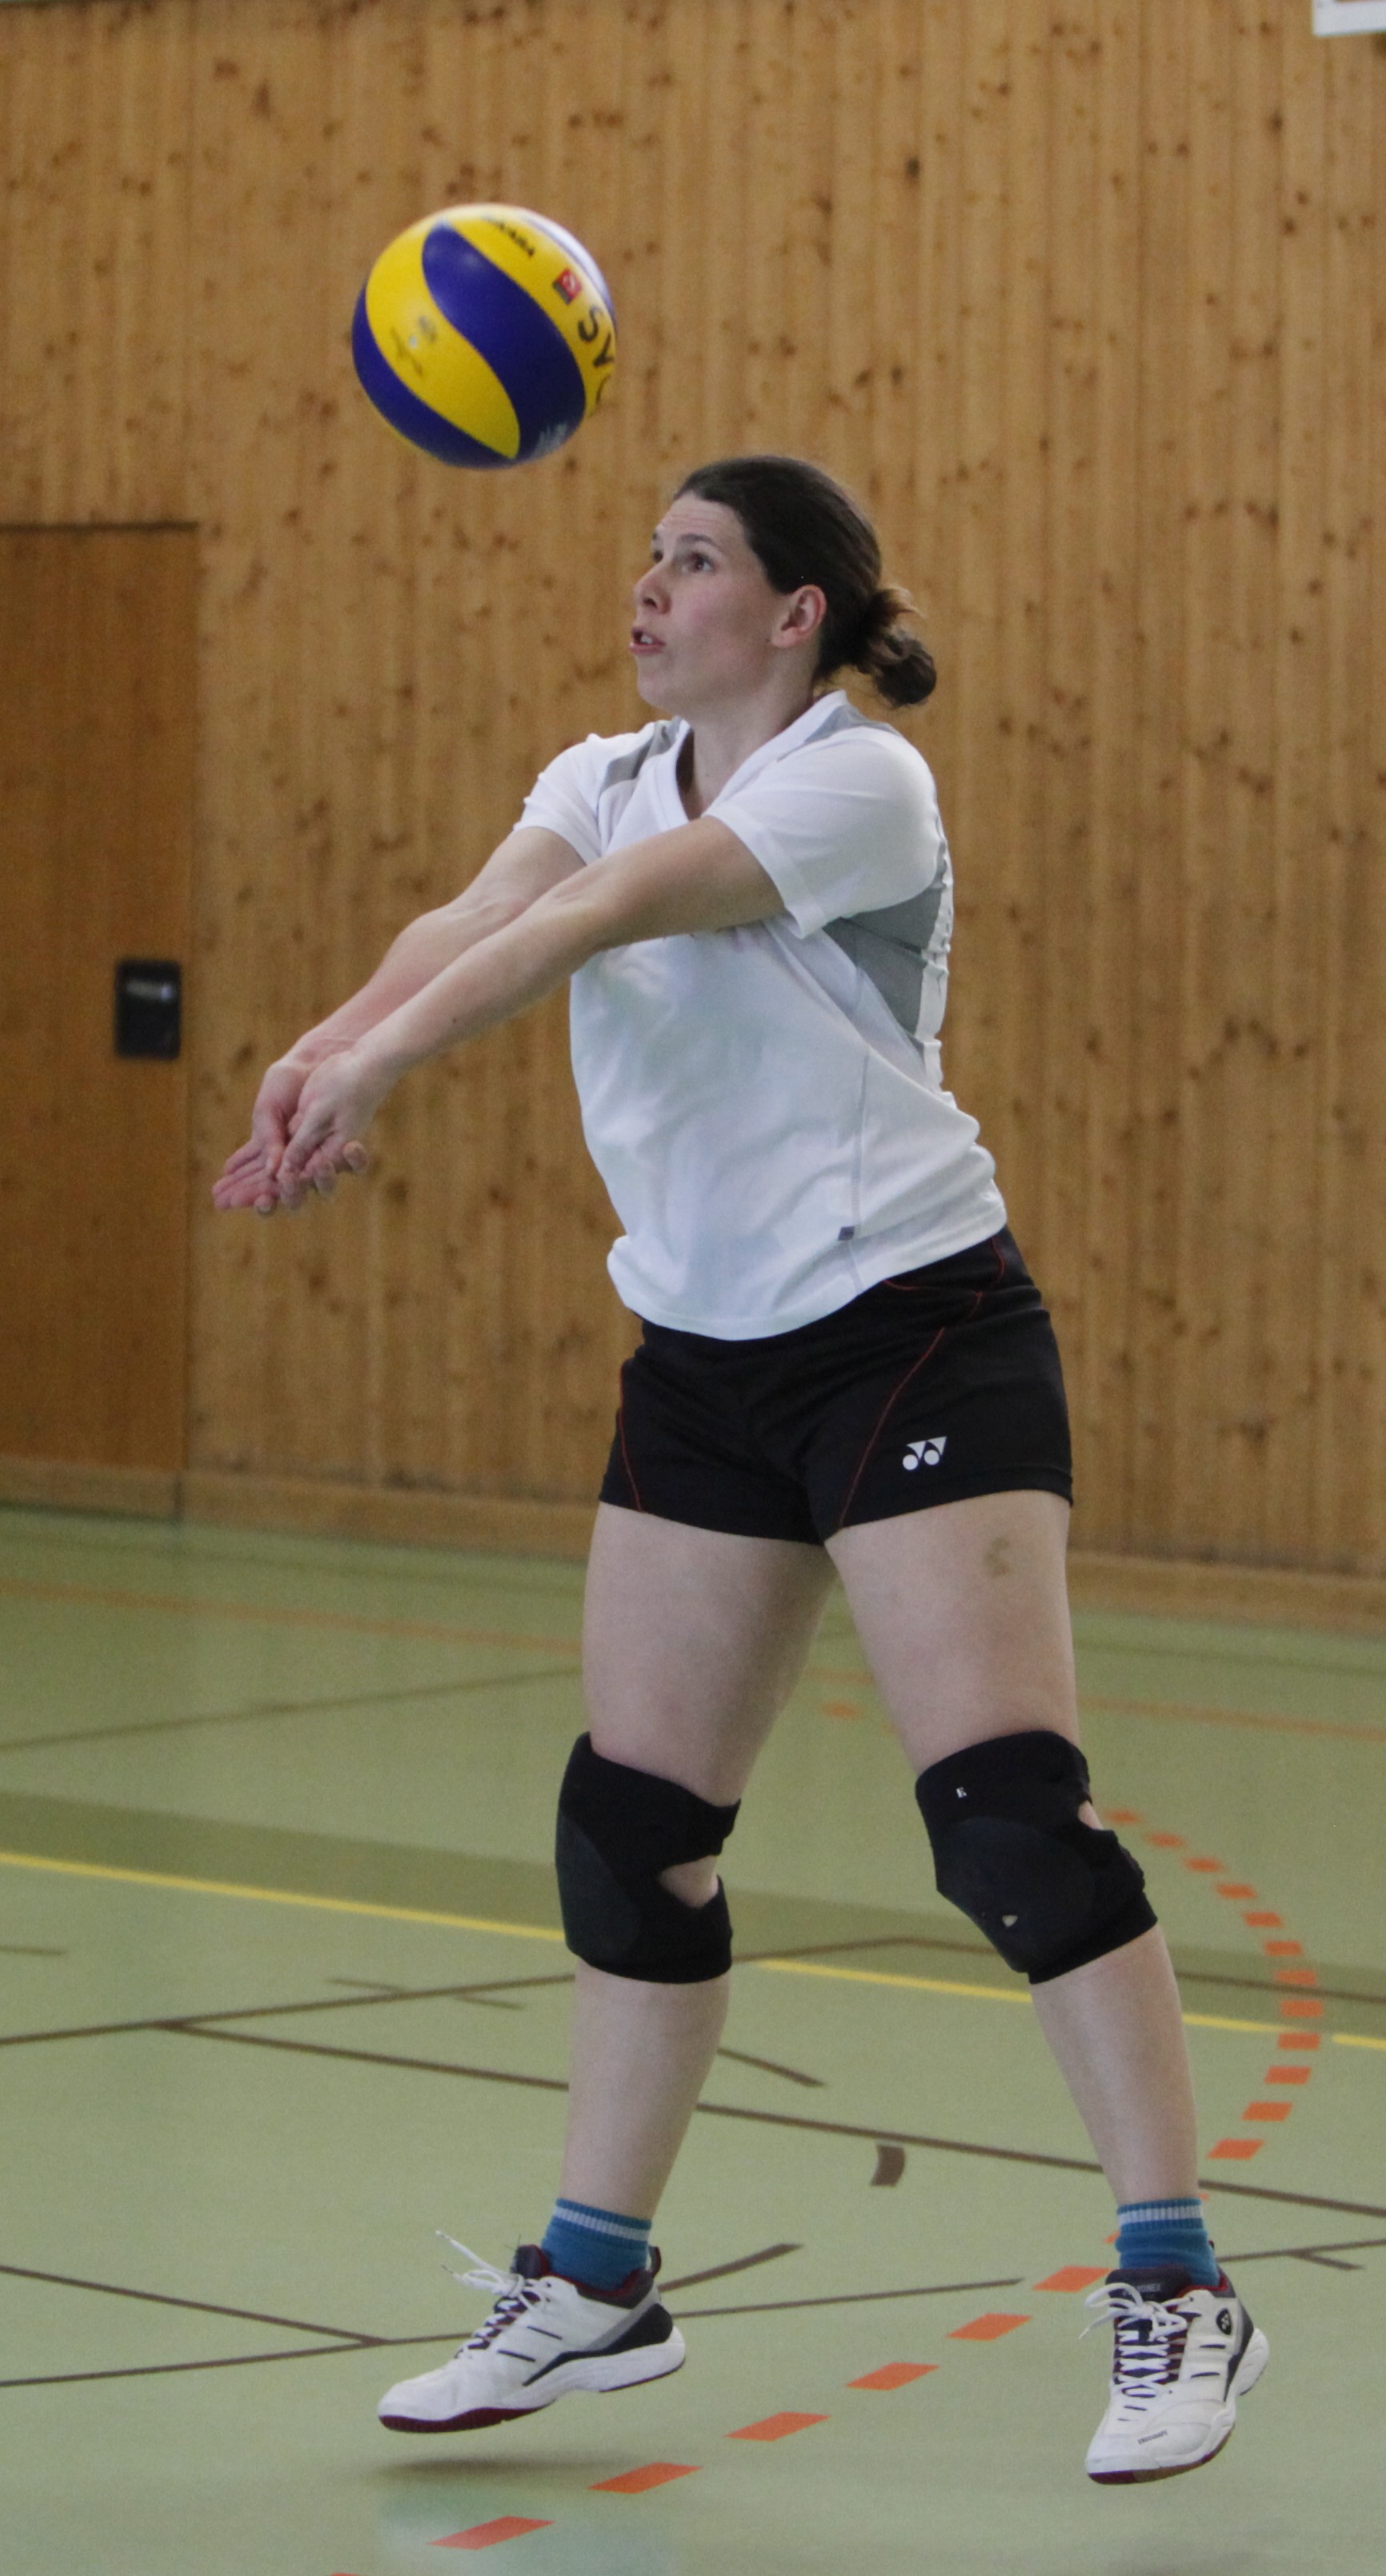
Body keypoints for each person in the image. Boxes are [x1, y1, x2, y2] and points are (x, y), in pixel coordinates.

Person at [215, 454, 1268, 2484]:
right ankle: (596, 2280)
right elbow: (489, 906)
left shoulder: (855, 782)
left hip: (908, 1330)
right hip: (705, 1357)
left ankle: (1174, 2276)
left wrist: (385, 1062)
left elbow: (609, 911)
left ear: (792, 614)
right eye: (646, 552)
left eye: (692, 559)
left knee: (1006, 1826)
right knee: (631, 1831)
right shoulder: (599, 770)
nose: (646, 584)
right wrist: (327, 1040)